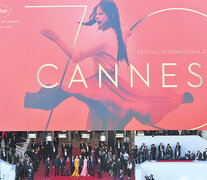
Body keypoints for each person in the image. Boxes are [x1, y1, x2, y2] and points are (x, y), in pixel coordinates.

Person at [24, 0, 194, 130]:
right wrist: (125, 36)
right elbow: (120, 51)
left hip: (104, 85)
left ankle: (31, 100)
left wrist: (56, 39)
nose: (97, 17)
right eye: (96, 14)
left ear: (110, 16)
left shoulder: (105, 37)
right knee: (99, 125)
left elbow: (76, 56)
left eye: (101, 14)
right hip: (110, 84)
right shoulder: (114, 35)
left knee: (67, 92)